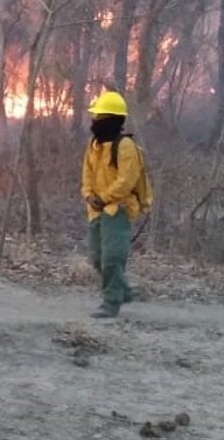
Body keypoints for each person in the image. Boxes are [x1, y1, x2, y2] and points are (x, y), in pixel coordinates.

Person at [80, 90, 151, 319]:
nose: (94, 121)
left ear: (111, 120)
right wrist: (88, 195)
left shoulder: (125, 146)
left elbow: (126, 181)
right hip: (97, 210)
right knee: (97, 258)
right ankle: (123, 291)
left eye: (99, 117)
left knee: (112, 259)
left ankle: (111, 303)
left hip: (118, 209)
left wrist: (104, 198)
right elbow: (87, 175)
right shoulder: (93, 145)